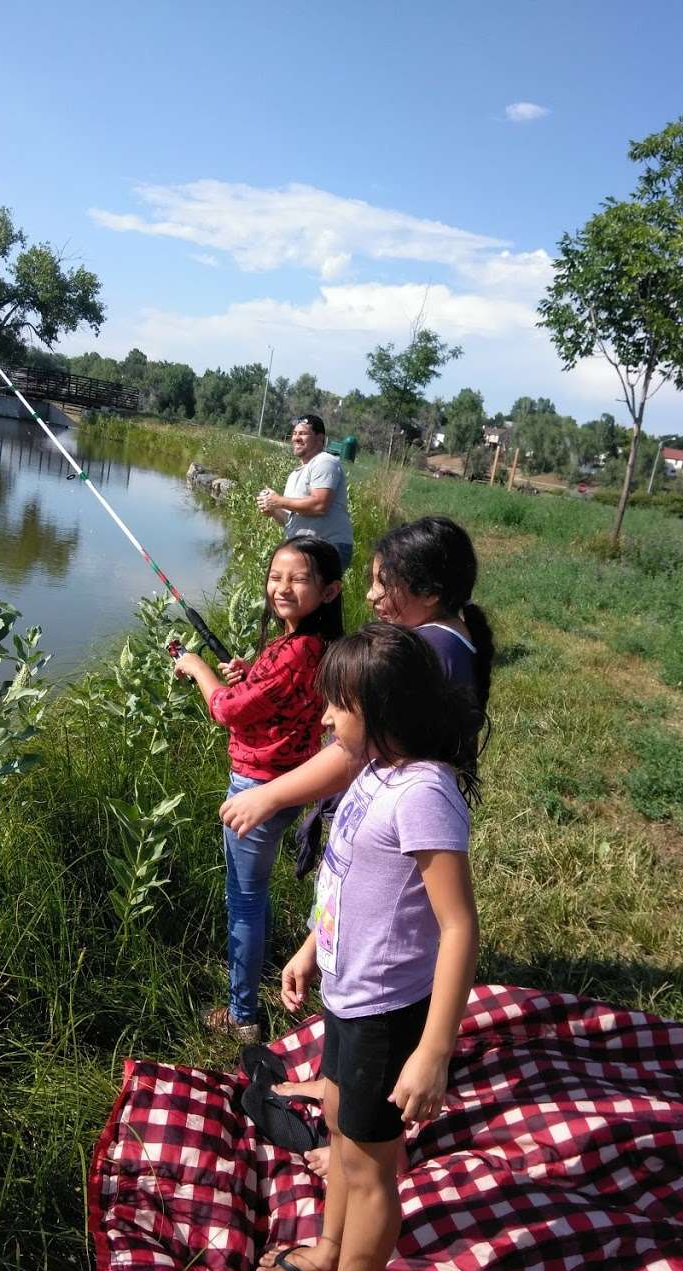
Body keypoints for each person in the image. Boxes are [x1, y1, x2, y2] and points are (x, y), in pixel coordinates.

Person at [223, 514, 493, 1173]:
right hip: (383, 844)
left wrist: (271, 792)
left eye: (384, 583)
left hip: (394, 842)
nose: (370, 597)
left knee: (381, 979)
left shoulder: (431, 653)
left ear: (425, 589)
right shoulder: (443, 636)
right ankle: (344, 1093)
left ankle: (364, 1135)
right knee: (355, 973)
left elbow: (350, 751)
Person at [258, 623, 481, 1271]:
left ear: (382, 707)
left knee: (369, 1165)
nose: (324, 718)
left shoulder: (424, 792)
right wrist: (309, 951)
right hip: (349, 997)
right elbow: (348, 878)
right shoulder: (375, 772)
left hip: (389, 1015)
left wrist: (432, 1053)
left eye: (338, 705)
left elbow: (457, 928)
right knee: (337, 1126)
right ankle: (327, 1250)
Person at [173, 537, 343, 1044]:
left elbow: (226, 710)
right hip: (289, 780)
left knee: (242, 899)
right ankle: (262, 964)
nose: (282, 588)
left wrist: (198, 668)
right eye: (276, 577)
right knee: (256, 889)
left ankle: (242, 1016)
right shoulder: (312, 644)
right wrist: (249, 677)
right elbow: (278, 696)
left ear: (330, 591)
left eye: (298, 579)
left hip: (258, 788)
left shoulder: (296, 650)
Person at [257, 414, 355, 572]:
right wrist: (273, 509)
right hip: (305, 548)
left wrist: (279, 501)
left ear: (320, 439)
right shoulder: (294, 475)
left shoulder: (325, 461)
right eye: (294, 434)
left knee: (312, 596)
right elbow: (290, 520)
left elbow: (319, 505)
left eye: (302, 433)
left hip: (327, 546)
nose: (296, 438)